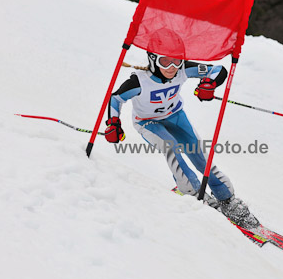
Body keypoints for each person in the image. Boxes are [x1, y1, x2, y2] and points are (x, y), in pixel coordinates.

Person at [104, 30, 259, 229]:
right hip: (148, 122)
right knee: (171, 148)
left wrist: (209, 84)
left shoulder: (183, 69)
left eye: (177, 61)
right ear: (152, 59)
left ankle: (226, 199)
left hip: (176, 117)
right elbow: (115, 99)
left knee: (199, 155)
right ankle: (193, 194)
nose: (172, 67)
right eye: (165, 61)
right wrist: (113, 123)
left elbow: (218, 70)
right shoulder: (139, 81)